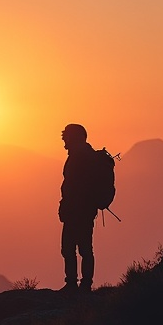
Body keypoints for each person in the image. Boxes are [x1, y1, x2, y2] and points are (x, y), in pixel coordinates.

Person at [58, 124, 98, 293]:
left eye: (66, 136)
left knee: (71, 248)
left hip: (77, 211)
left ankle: (75, 285)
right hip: (84, 210)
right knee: (84, 248)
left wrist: (67, 206)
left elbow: (74, 186)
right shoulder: (86, 155)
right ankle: (84, 284)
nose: (63, 139)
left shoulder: (79, 157)